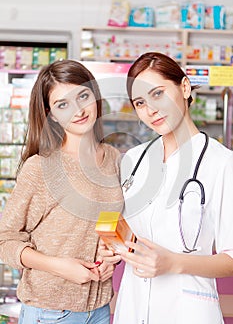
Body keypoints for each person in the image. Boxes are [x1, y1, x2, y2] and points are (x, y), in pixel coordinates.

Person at [100, 52, 233, 324]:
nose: (151, 110)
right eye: (140, 102)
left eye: (158, 94)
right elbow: (130, 235)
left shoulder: (222, 163)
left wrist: (173, 263)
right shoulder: (134, 161)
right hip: (132, 308)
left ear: (184, 87)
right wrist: (114, 249)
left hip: (189, 311)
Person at [0, 59, 124, 324]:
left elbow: (115, 227)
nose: (78, 110)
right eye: (62, 104)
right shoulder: (41, 167)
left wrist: (111, 257)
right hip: (50, 312)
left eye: (83, 95)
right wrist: (59, 266)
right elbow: (5, 241)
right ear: (51, 114)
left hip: (101, 309)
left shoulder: (114, 159)